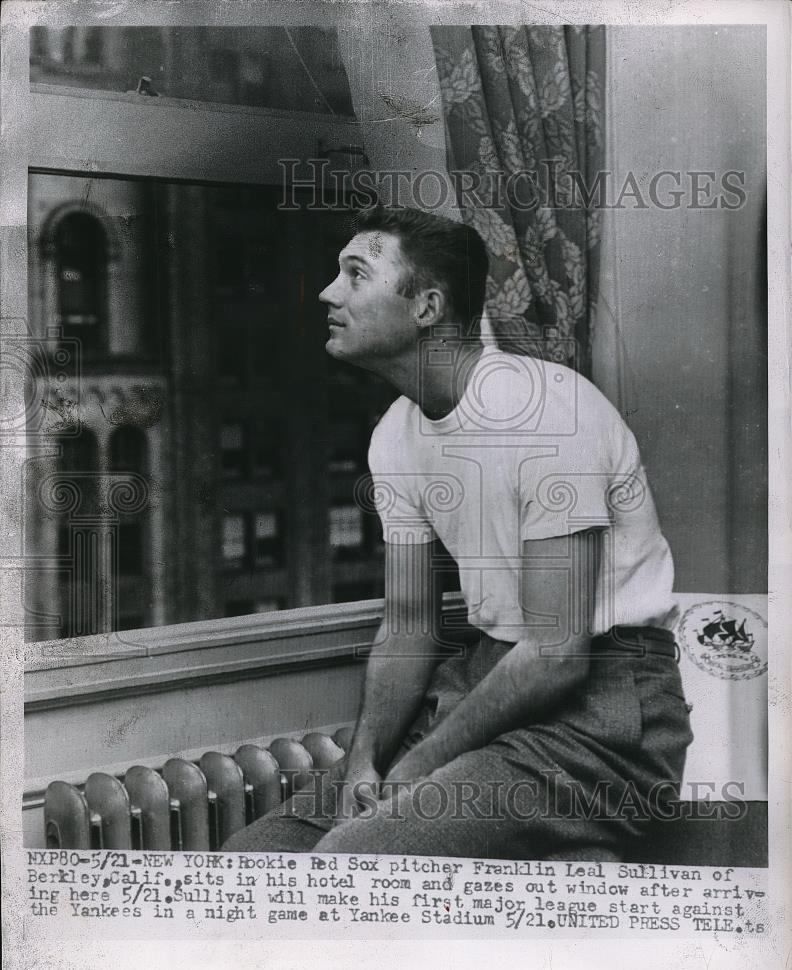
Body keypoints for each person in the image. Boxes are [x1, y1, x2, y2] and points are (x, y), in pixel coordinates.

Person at [222, 206, 693, 860]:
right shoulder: (397, 435)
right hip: (486, 680)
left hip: (602, 717)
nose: (329, 293)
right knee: (247, 862)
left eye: (355, 275)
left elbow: (557, 654)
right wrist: (365, 760)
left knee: (348, 866)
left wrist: (420, 768)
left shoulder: (546, 414)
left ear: (427, 307)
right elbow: (410, 624)